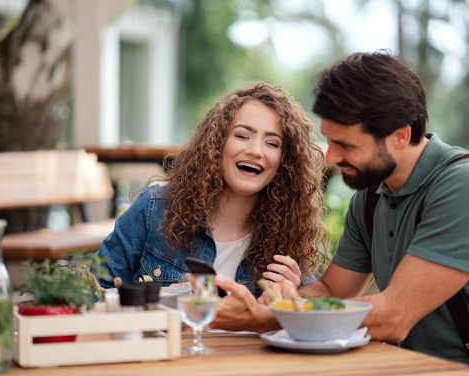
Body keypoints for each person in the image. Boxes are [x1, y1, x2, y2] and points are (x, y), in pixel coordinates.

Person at [211, 50, 469, 371]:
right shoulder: (373, 193)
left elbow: (393, 316)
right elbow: (332, 289)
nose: (330, 157)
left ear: (400, 136)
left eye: (346, 145)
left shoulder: (468, 186)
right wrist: (290, 300)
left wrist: (270, 318)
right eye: (330, 141)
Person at [97, 81, 330, 296]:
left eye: (271, 143)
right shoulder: (155, 209)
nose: (256, 150)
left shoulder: (289, 235)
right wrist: (165, 298)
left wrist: (292, 299)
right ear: (216, 143)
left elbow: (300, 324)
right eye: (242, 135)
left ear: (285, 161)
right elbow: (94, 291)